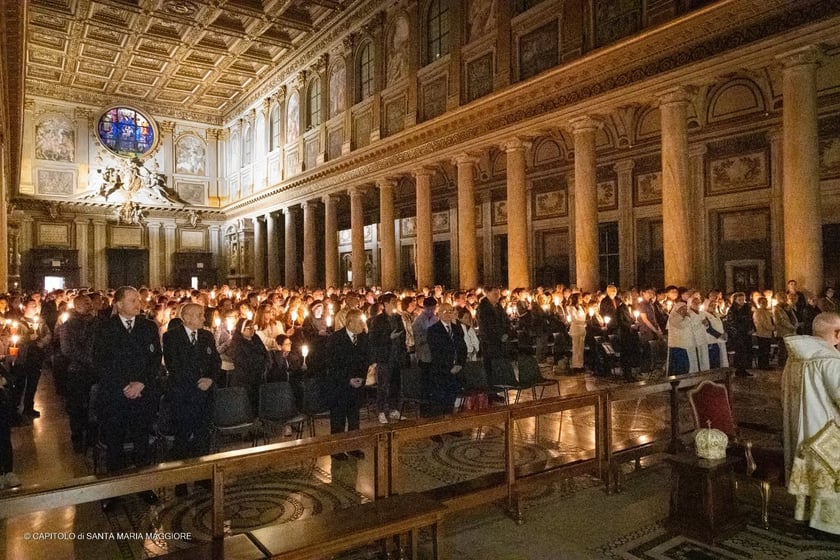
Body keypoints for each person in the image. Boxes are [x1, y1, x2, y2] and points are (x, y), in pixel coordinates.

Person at [92, 286, 161, 510]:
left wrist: (141, 382)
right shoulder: (105, 328)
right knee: (115, 443)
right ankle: (114, 491)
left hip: (143, 394)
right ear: (119, 304)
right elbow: (101, 361)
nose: (138, 304)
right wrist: (125, 385)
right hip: (116, 395)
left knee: (142, 441)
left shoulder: (148, 326)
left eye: (138, 300)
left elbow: (155, 358)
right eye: (132, 300)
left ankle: (142, 486)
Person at [782, 311, 840, 536]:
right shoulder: (829, 360)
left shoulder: (796, 356)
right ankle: (831, 524)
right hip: (827, 433)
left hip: (803, 429)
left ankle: (808, 516)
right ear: (836, 333)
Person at [162, 303, 220, 491]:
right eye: (200, 315)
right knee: (182, 438)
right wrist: (198, 382)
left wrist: (210, 379)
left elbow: (215, 361)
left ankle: (202, 476)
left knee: (203, 437)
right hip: (184, 396)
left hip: (205, 395)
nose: (204, 319)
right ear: (186, 317)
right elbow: (174, 366)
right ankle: (181, 479)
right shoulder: (171, 337)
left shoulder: (207, 335)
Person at [325, 309, 369, 457]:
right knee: (338, 418)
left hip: (357, 384)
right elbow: (332, 365)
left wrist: (361, 378)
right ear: (350, 322)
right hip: (340, 386)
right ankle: (336, 450)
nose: (363, 325)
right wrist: (347, 379)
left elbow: (365, 359)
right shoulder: (336, 339)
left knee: (354, 418)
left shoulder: (363, 338)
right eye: (360, 322)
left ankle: (353, 446)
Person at [58, 294, 97, 453]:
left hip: (94, 371)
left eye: (90, 303)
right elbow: (67, 350)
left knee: (93, 405)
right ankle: (77, 437)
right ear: (78, 306)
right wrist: (88, 360)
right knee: (77, 407)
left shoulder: (97, 323)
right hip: (77, 371)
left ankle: (92, 438)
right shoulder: (68, 326)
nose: (90, 305)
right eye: (86, 303)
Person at [368, 293, 405, 424]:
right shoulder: (378, 320)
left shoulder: (398, 318)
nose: (395, 303)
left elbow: (403, 335)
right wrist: (389, 338)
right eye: (392, 301)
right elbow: (373, 339)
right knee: (383, 386)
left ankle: (394, 408)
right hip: (385, 357)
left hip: (396, 356)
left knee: (396, 384)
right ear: (385, 304)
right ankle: (381, 411)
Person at [426, 303, 467, 417]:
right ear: (439, 314)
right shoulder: (433, 330)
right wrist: (449, 367)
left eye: (450, 311)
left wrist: (460, 364)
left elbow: (462, 348)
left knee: (451, 399)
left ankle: (450, 425)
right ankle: (437, 428)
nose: (448, 314)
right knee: (439, 401)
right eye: (445, 311)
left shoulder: (457, 329)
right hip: (441, 370)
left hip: (456, 369)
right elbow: (437, 352)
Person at [476, 287, 509, 380]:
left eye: (498, 294)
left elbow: (506, 320)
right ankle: (491, 386)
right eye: (495, 294)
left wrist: (506, 333)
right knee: (490, 365)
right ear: (488, 294)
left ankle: (499, 383)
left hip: (501, 341)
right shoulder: (483, 308)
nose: (497, 296)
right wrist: (499, 336)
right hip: (489, 341)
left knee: (499, 365)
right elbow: (487, 325)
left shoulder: (499, 307)